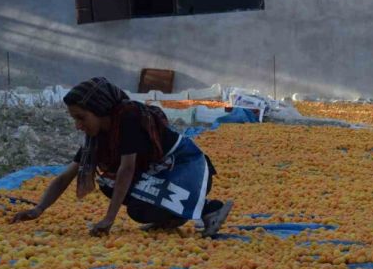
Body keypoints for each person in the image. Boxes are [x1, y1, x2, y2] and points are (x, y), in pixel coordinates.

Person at [12, 77, 232, 237]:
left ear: (99, 109)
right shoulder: (97, 137)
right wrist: (38, 209)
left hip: (184, 167)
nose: (78, 125)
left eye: (81, 118)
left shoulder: (129, 119)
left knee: (135, 204)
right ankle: (170, 217)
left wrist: (109, 219)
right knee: (110, 185)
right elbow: (66, 175)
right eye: (75, 119)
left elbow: (127, 170)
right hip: (161, 173)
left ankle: (209, 208)